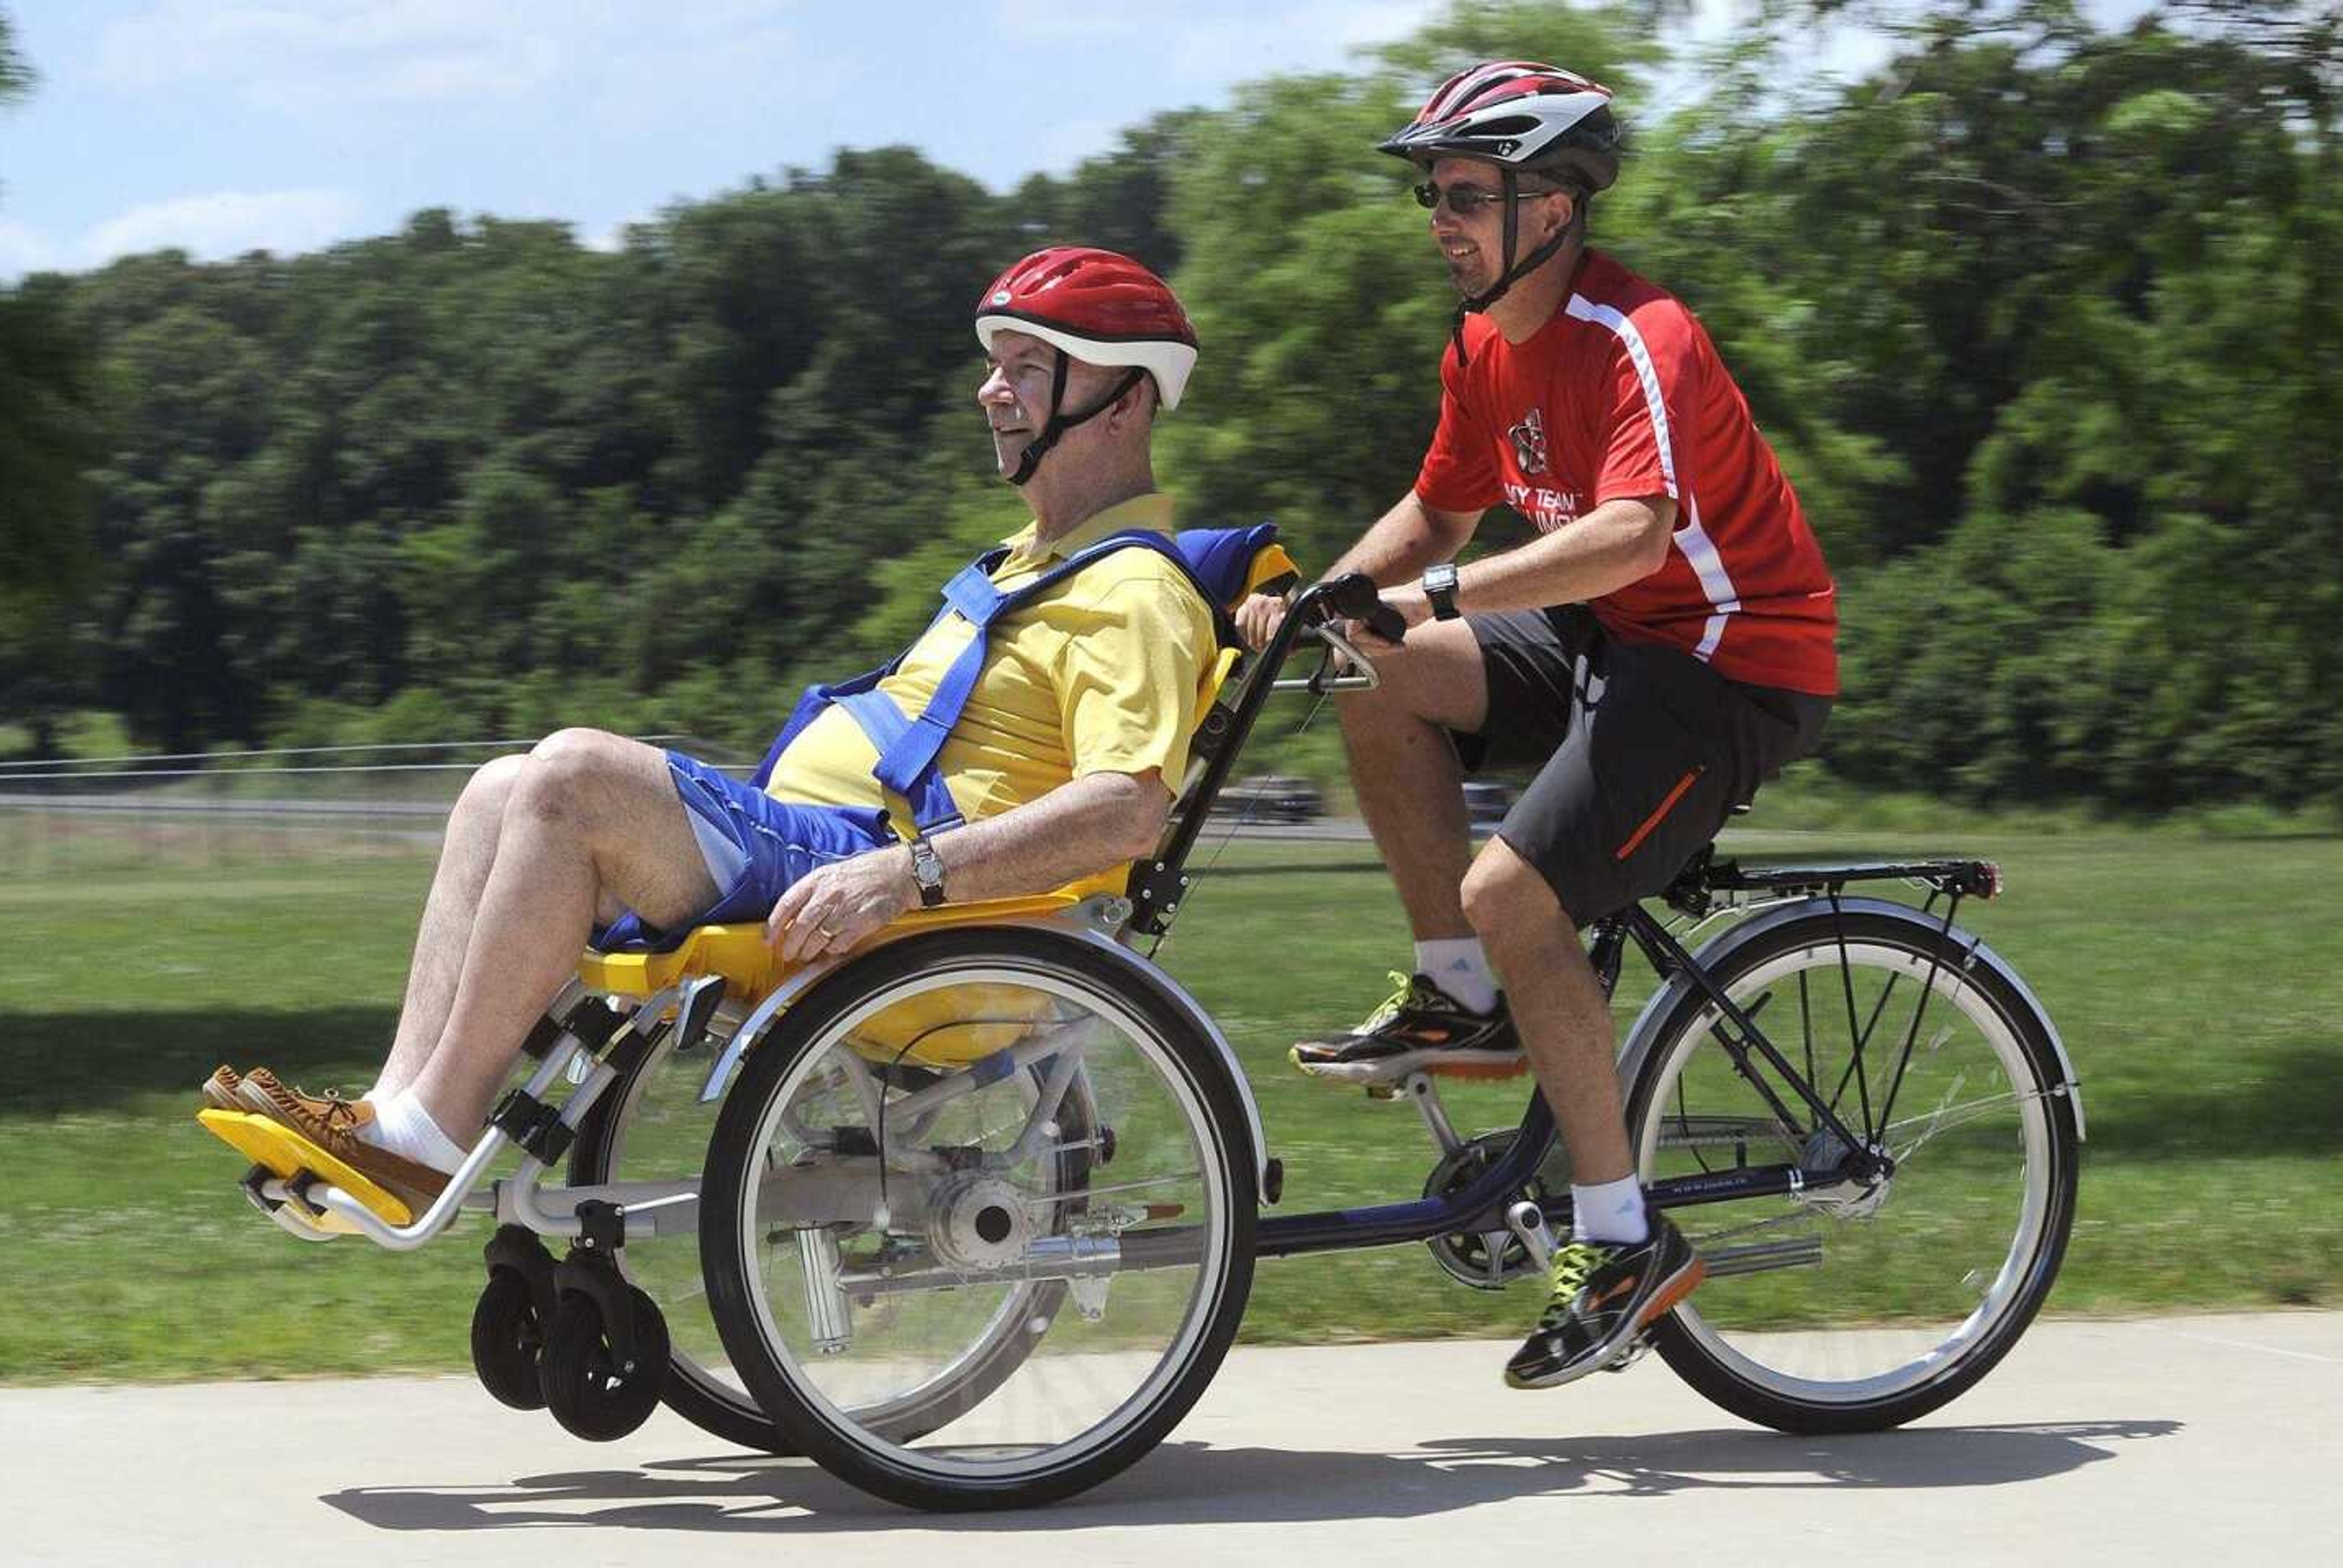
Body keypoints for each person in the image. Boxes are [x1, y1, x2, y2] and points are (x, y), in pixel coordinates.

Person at [205, 246, 1230, 1214]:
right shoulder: (1032, 563)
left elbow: (1126, 810)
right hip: (834, 853)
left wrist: (906, 875)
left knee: (570, 777)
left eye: (1027, 368)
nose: (990, 391)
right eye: (994, 366)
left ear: (1126, 397)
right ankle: (391, 1118)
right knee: (497, 786)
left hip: (896, 894)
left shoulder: (1132, 588)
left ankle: (426, 1143)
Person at [1236, 61, 1838, 1389]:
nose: (1438, 218)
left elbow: (1632, 535)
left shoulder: (1641, 335)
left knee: (1518, 892)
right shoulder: (1483, 346)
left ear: (1553, 203)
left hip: (1729, 658)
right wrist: (1323, 602)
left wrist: (1426, 597)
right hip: (1613, 635)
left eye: (1463, 193)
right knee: (1370, 672)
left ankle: (1624, 1241)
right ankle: (1462, 996)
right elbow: (1437, 514)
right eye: (1430, 195)